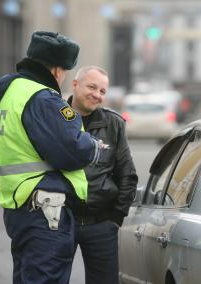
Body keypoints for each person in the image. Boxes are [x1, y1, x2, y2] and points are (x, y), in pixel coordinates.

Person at [0, 31, 105, 284]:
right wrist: (93, 146)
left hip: (20, 206)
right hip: (46, 211)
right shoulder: (43, 97)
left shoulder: (9, 93)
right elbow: (71, 149)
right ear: (58, 70)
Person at [68, 66, 138, 284]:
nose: (97, 95)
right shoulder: (56, 117)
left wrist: (116, 218)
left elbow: (127, 174)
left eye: (102, 91)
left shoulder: (113, 124)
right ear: (75, 84)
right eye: (92, 87)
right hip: (60, 221)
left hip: (101, 224)